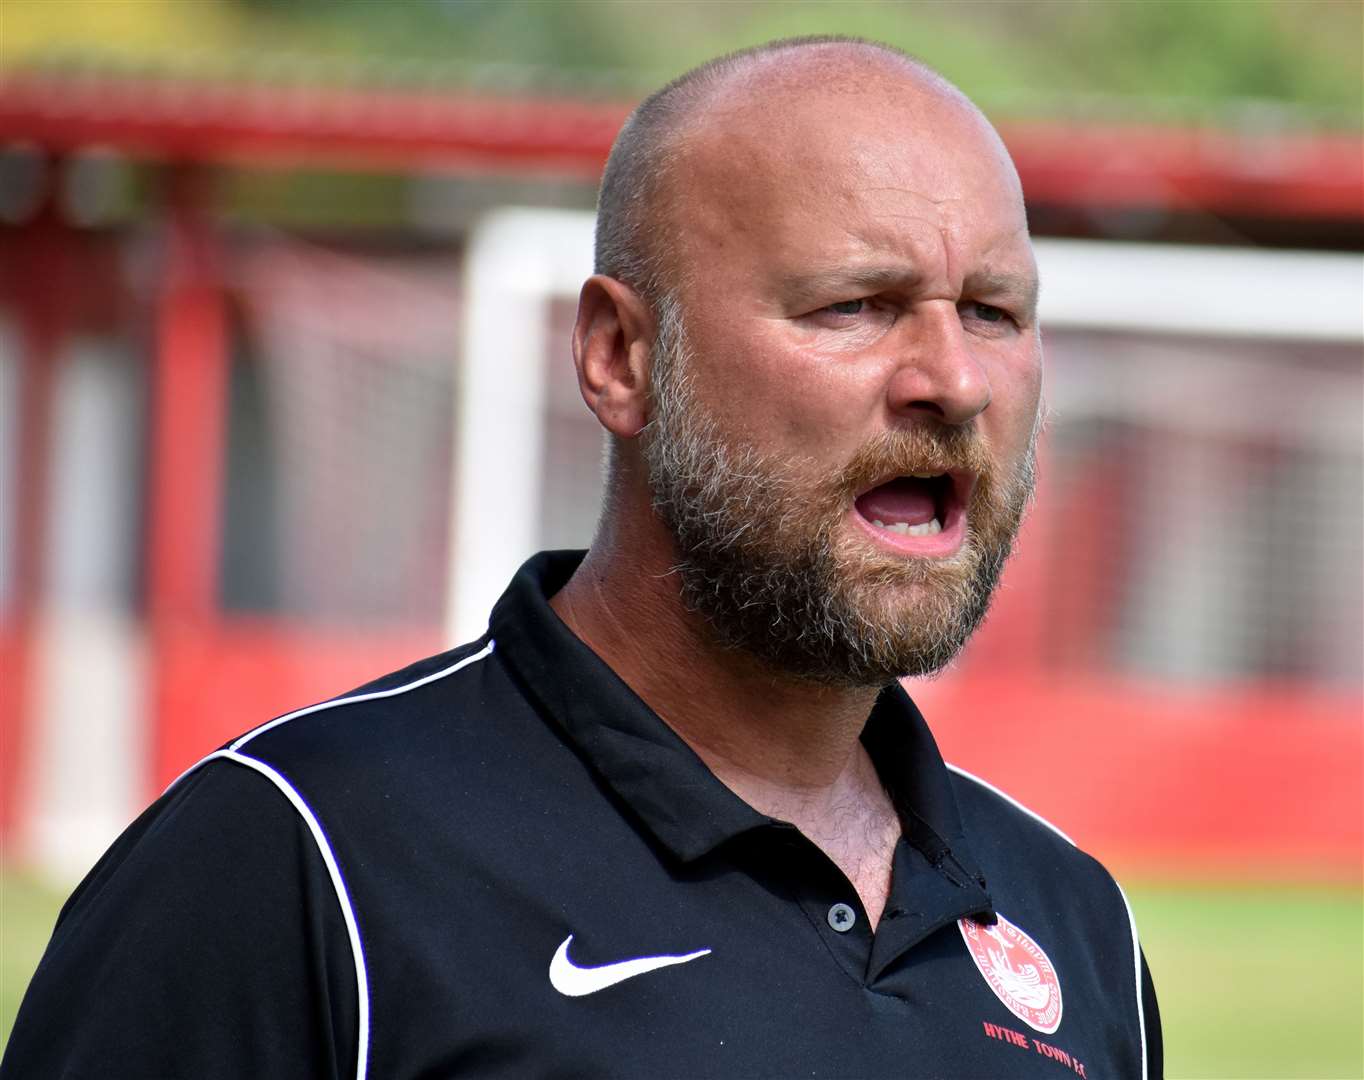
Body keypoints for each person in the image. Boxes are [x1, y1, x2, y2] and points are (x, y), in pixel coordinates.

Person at [4, 36, 1161, 1080]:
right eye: (855, 305)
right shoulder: (294, 862)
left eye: (993, 312)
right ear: (618, 357)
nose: (951, 380)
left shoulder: (1073, 923)